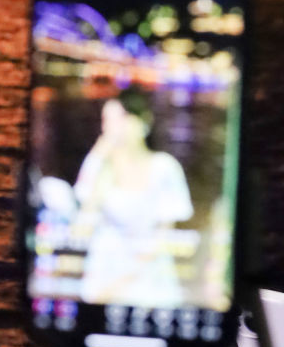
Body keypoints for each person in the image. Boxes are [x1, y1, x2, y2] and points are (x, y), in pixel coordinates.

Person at [72, 87, 194, 305]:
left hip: (149, 280)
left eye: (121, 118)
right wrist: (98, 157)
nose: (113, 128)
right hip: (103, 274)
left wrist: (122, 282)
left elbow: (163, 237)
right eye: (107, 120)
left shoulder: (164, 167)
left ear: (142, 121)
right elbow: (81, 228)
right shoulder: (100, 167)